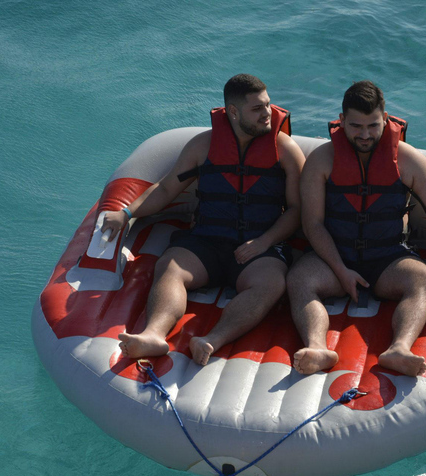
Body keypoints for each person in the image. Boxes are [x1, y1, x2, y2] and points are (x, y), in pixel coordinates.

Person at [102, 74, 304, 365]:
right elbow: (167, 187)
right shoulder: (203, 146)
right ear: (233, 112)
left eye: (268, 105)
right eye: (257, 108)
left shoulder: (285, 150)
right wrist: (127, 213)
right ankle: (153, 335)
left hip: (259, 247)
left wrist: (264, 242)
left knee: (271, 283)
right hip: (206, 241)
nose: (267, 114)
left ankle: (211, 340)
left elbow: (297, 209)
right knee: (169, 268)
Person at [287, 80, 426, 377]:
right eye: (356, 126)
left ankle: (399, 349)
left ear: (386, 119)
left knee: (422, 279)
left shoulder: (407, 159)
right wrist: (341, 270)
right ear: (341, 121)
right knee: (299, 278)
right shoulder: (322, 160)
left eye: (373, 126)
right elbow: (312, 224)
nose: (365, 135)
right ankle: (317, 348)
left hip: (387, 257)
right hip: (334, 256)